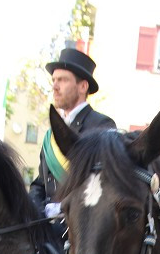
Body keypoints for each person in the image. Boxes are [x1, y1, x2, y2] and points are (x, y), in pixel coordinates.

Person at [29, 47, 116, 217]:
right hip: (45, 226)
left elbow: (101, 183)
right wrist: (35, 208)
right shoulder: (51, 135)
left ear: (83, 86)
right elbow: (40, 184)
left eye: (62, 80)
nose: (54, 86)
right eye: (54, 80)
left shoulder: (102, 126)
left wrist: (62, 207)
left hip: (78, 227)